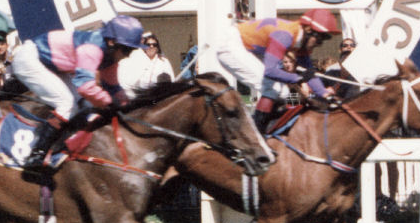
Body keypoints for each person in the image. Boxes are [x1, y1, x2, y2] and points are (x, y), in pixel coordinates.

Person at [8, 14, 145, 166]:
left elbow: (112, 86)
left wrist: (126, 104)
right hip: (30, 59)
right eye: (126, 50)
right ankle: (36, 154)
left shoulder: (109, 53)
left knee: (83, 105)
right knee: (66, 104)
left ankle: (63, 146)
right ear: (112, 42)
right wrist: (109, 101)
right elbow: (85, 87)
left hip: (53, 66)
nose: (128, 55)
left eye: (131, 50)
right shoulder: (92, 49)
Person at [205, 9, 339, 131]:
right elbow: (270, 71)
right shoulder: (285, 35)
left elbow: (308, 73)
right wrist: (299, 79)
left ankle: (269, 129)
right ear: (309, 30)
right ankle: (257, 134)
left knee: (284, 92)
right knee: (274, 88)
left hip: (249, 48)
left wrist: (324, 94)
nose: (320, 44)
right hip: (231, 45)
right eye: (320, 39)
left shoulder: (301, 41)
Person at [118, 30, 175, 95]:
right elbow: (128, 83)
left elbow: (172, 81)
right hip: (140, 95)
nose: (151, 47)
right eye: (148, 45)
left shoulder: (164, 61)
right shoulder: (135, 60)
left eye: (154, 45)